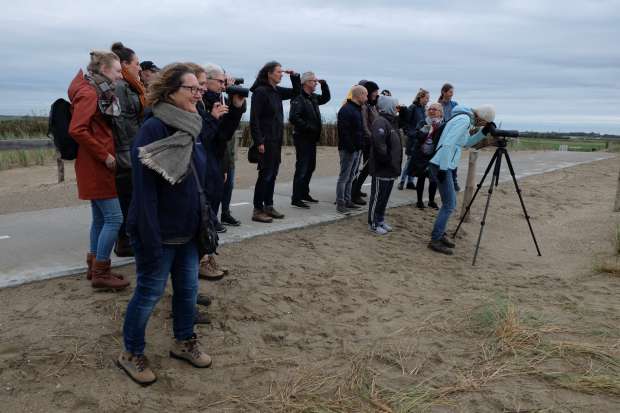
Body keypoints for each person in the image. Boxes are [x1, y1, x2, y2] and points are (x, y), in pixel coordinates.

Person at [119, 63, 213, 385]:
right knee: (149, 294)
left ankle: (183, 342)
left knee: (188, 292)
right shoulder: (154, 129)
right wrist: (150, 238)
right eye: (192, 88)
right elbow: (143, 192)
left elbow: (197, 180)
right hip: (158, 233)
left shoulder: (192, 126)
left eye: (200, 88)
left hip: (187, 232)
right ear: (171, 91)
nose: (199, 93)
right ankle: (131, 353)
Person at [68, 50, 129, 291]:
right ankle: (102, 272)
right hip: (97, 164)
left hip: (95, 163)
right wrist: (104, 155)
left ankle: (94, 265)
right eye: (117, 71)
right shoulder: (90, 92)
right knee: (115, 218)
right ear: (104, 69)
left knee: (101, 218)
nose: (120, 76)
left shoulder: (95, 89)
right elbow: (77, 129)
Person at [427, 104, 496, 255]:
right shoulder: (464, 120)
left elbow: (465, 143)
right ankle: (436, 238)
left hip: (444, 164)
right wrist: (444, 169)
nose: (482, 125)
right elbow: (448, 144)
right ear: (482, 118)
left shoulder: (464, 119)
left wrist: (483, 133)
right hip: (441, 164)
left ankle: (440, 233)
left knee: (448, 203)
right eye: (484, 123)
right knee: (450, 204)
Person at [249, 61, 301, 223]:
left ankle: (269, 206)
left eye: (281, 72)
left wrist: (295, 77)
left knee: (273, 174)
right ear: (269, 73)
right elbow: (254, 119)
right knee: (265, 174)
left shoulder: (276, 91)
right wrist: (259, 142)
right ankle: (257, 209)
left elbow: (296, 92)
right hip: (265, 140)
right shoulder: (260, 92)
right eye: (278, 72)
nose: (281, 74)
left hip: (276, 140)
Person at [110, 42, 145, 257]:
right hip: (127, 149)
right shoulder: (122, 87)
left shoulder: (132, 85)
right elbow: (120, 120)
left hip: (133, 145)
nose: (139, 68)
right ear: (124, 64)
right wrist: (123, 151)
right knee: (127, 196)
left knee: (131, 196)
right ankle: (123, 241)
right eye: (137, 64)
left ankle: (128, 238)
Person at [201, 63, 246, 227]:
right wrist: (213, 118)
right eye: (220, 81)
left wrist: (236, 107)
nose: (223, 85)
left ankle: (212, 224)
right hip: (205, 159)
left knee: (217, 194)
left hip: (218, 156)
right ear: (207, 80)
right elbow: (204, 137)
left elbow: (224, 134)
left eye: (223, 82)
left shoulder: (219, 99)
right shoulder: (202, 102)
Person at [289, 71, 330, 208]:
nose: (315, 83)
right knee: (302, 167)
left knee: (311, 167)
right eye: (313, 81)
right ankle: (296, 197)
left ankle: (304, 193)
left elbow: (325, 98)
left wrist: (324, 85)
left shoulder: (312, 97)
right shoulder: (298, 97)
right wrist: (308, 127)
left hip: (312, 138)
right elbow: (294, 117)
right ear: (306, 82)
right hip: (302, 137)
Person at [368, 95, 402, 234]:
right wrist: (387, 160)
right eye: (395, 106)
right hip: (382, 168)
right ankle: (373, 223)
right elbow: (379, 144)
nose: (397, 108)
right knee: (377, 197)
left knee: (385, 197)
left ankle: (380, 219)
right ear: (389, 106)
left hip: (391, 169)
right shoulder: (380, 122)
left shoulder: (392, 121)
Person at [336, 85, 367, 214]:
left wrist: (360, 146)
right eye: (365, 94)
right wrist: (352, 147)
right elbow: (344, 132)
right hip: (348, 149)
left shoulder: (358, 109)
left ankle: (348, 201)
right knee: (344, 177)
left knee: (351, 177)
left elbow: (358, 130)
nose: (366, 97)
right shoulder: (346, 110)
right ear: (359, 95)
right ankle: (340, 203)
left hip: (356, 149)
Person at [350, 80, 380, 205]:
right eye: (375, 91)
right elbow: (364, 125)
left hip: (370, 141)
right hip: (367, 141)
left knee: (367, 169)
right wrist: (372, 137)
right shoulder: (364, 106)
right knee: (363, 168)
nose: (377, 93)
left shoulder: (371, 105)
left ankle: (357, 190)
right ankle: (354, 193)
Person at [410, 102, 443, 209]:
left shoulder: (442, 125)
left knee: (433, 179)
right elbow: (417, 136)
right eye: (430, 109)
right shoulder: (422, 122)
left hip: (434, 155)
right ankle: (419, 201)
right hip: (421, 154)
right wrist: (426, 130)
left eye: (435, 109)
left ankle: (431, 201)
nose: (432, 111)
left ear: (440, 113)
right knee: (421, 178)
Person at [399, 88, 429, 190]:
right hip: (413, 138)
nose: (427, 100)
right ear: (420, 97)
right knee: (410, 160)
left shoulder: (423, 109)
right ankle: (402, 181)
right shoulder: (412, 107)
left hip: (419, 138)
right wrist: (411, 133)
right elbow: (406, 123)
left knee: (414, 160)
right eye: (426, 98)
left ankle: (410, 182)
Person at [438, 83, 461, 191]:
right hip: (440, 134)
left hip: (452, 134)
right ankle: (440, 181)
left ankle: (454, 181)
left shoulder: (455, 104)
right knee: (441, 157)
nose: (452, 94)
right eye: (450, 92)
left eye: (452, 92)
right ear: (444, 92)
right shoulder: (438, 105)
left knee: (453, 158)